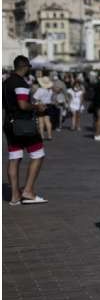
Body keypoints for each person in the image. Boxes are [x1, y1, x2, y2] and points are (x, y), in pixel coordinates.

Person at [2, 55, 47, 205]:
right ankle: (28, 191)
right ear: (26, 67)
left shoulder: (6, 82)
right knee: (38, 154)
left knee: (14, 158)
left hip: (9, 123)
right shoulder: (20, 83)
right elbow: (22, 104)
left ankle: (15, 196)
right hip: (23, 124)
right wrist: (36, 106)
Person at [32, 76, 54, 141]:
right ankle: (50, 136)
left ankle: (42, 136)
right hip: (48, 105)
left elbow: (35, 98)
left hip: (41, 105)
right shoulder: (50, 90)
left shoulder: (40, 90)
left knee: (40, 121)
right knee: (48, 121)